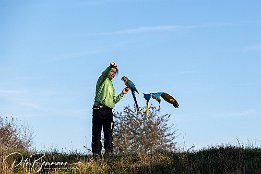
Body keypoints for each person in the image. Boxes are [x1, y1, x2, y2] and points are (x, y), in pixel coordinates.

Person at [92, 62, 129, 156]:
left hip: (108, 111)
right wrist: (111, 66)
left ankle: (109, 153)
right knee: (97, 132)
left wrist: (122, 94)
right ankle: (96, 153)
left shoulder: (112, 86)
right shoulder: (102, 80)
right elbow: (104, 73)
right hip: (98, 109)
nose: (113, 73)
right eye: (111, 71)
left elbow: (113, 101)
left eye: (114, 72)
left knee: (108, 133)